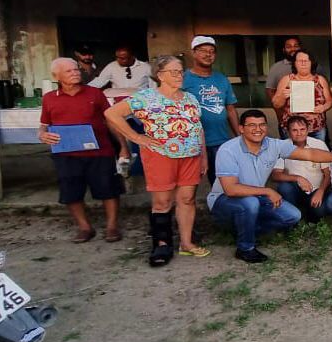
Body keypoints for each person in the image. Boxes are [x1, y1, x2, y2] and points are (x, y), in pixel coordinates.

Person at [208, 110, 332, 262]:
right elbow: (231, 189)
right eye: (252, 125)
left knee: (293, 216)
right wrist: (267, 191)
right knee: (250, 202)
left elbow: (310, 154)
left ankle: (246, 229)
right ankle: (245, 248)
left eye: (262, 125)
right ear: (241, 128)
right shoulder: (228, 150)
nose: (258, 129)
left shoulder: (273, 145)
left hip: (256, 197)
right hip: (224, 200)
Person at [104, 55, 210, 266]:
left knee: (187, 199)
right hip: (161, 155)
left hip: (190, 156)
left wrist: (203, 155)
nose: (179, 75)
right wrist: (136, 137)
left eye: (180, 71)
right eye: (174, 72)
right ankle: (162, 244)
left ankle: (186, 243)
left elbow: (197, 128)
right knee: (162, 202)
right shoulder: (146, 97)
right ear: (160, 75)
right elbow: (111, 113)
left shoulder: (190, 98)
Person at [38, 57, 128, 243]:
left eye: (76, 69)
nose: (75, 73)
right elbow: (44, 125)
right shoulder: (49, 98)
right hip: (66, 154)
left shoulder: (95, 94)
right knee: (71, 192)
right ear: (56, 76)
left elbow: (111, 121)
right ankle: (85, 227)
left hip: (100, 152)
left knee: (109, 189)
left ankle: (112, 227)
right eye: (69, 71)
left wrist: (123, 147)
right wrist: (42, 134)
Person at [182, 36, 239, 185]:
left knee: (220, 183)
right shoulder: (183, 79)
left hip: (220, 140)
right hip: (192, 142)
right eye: (203, 51)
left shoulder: (221, 79)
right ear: (193, 53)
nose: (208, 54)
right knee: (190, 184)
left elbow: (230, 109)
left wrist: (239, 136)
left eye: (212, 51)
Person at [270, 115, 332, 222]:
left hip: (316, 190)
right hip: (295, 191)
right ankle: (293, 221)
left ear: (308, 130)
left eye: (302, 129)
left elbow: (328, 173)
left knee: (319, 211)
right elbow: (275, 175)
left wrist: (321, 191)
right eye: (294, 130)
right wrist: (298, 178)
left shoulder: (319, 144)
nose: (299, 133)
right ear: (288, 132)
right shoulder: (283, 146)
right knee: (284, 188)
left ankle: (310, 221)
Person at [272, 50, 332, 142]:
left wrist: (323, 107)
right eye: (300, 61)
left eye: (306, 60)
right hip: (293, 129)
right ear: (295, 63)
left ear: (311, 63)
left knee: (318, 150)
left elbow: (330, 101)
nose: (303, 63)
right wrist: (282, 96)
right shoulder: (286, 80)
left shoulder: (320, 80)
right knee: (292, 151)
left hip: (316, 128)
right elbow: (276, 104)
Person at [265, 36, 301, 104]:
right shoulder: (276, 67)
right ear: (284, 49)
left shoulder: (312, 65)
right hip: (284, 108)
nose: (293, 49)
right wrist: (278, 107)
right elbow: (270, 91)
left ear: (300, 48)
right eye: (289, 47)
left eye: (296, 46)